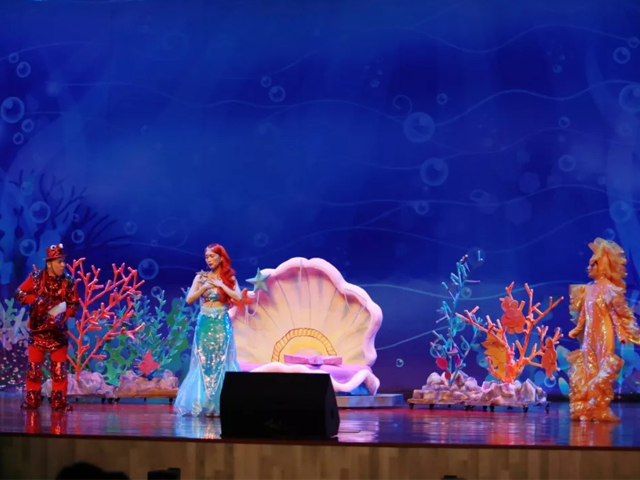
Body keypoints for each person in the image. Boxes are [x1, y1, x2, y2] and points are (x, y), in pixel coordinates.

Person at [567, 238, 640, 422]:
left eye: (594, 264)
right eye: (589, 264)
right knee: (589, 369)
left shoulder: (609, 288)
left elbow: (615, 313)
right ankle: (588, 408)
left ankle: (600, 408)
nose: (589, 268)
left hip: (604, 334)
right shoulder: (586, 289)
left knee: (603, 369)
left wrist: (622, 333)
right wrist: (577, 328)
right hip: (589, 336)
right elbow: (584, 313)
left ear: (603, 266)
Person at [174, 244, 249, 417]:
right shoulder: (201, 277)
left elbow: (238, 297)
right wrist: (204, 287)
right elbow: (189, 299)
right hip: (205, 322)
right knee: (204, 360)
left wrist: (221, 285)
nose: (208, 260)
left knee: (221, 360)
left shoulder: (229, 278)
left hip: (221, 322)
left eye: (212, 256)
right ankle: (205, 403)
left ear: (221, 258)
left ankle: (221, 403)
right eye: (206, 257)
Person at [15, 244, 79, 411]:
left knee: (59, 371)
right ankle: (32, 401)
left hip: (58, 333)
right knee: (33, 370)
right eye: (59, 262)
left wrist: (64, 314)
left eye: (64, 261)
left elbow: (74, 304)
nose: (63, 265)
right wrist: (35, 300)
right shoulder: (36, 278)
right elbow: (19, 293)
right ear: (49, 264)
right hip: (38, 332)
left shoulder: (68, 281)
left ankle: (59, 402)